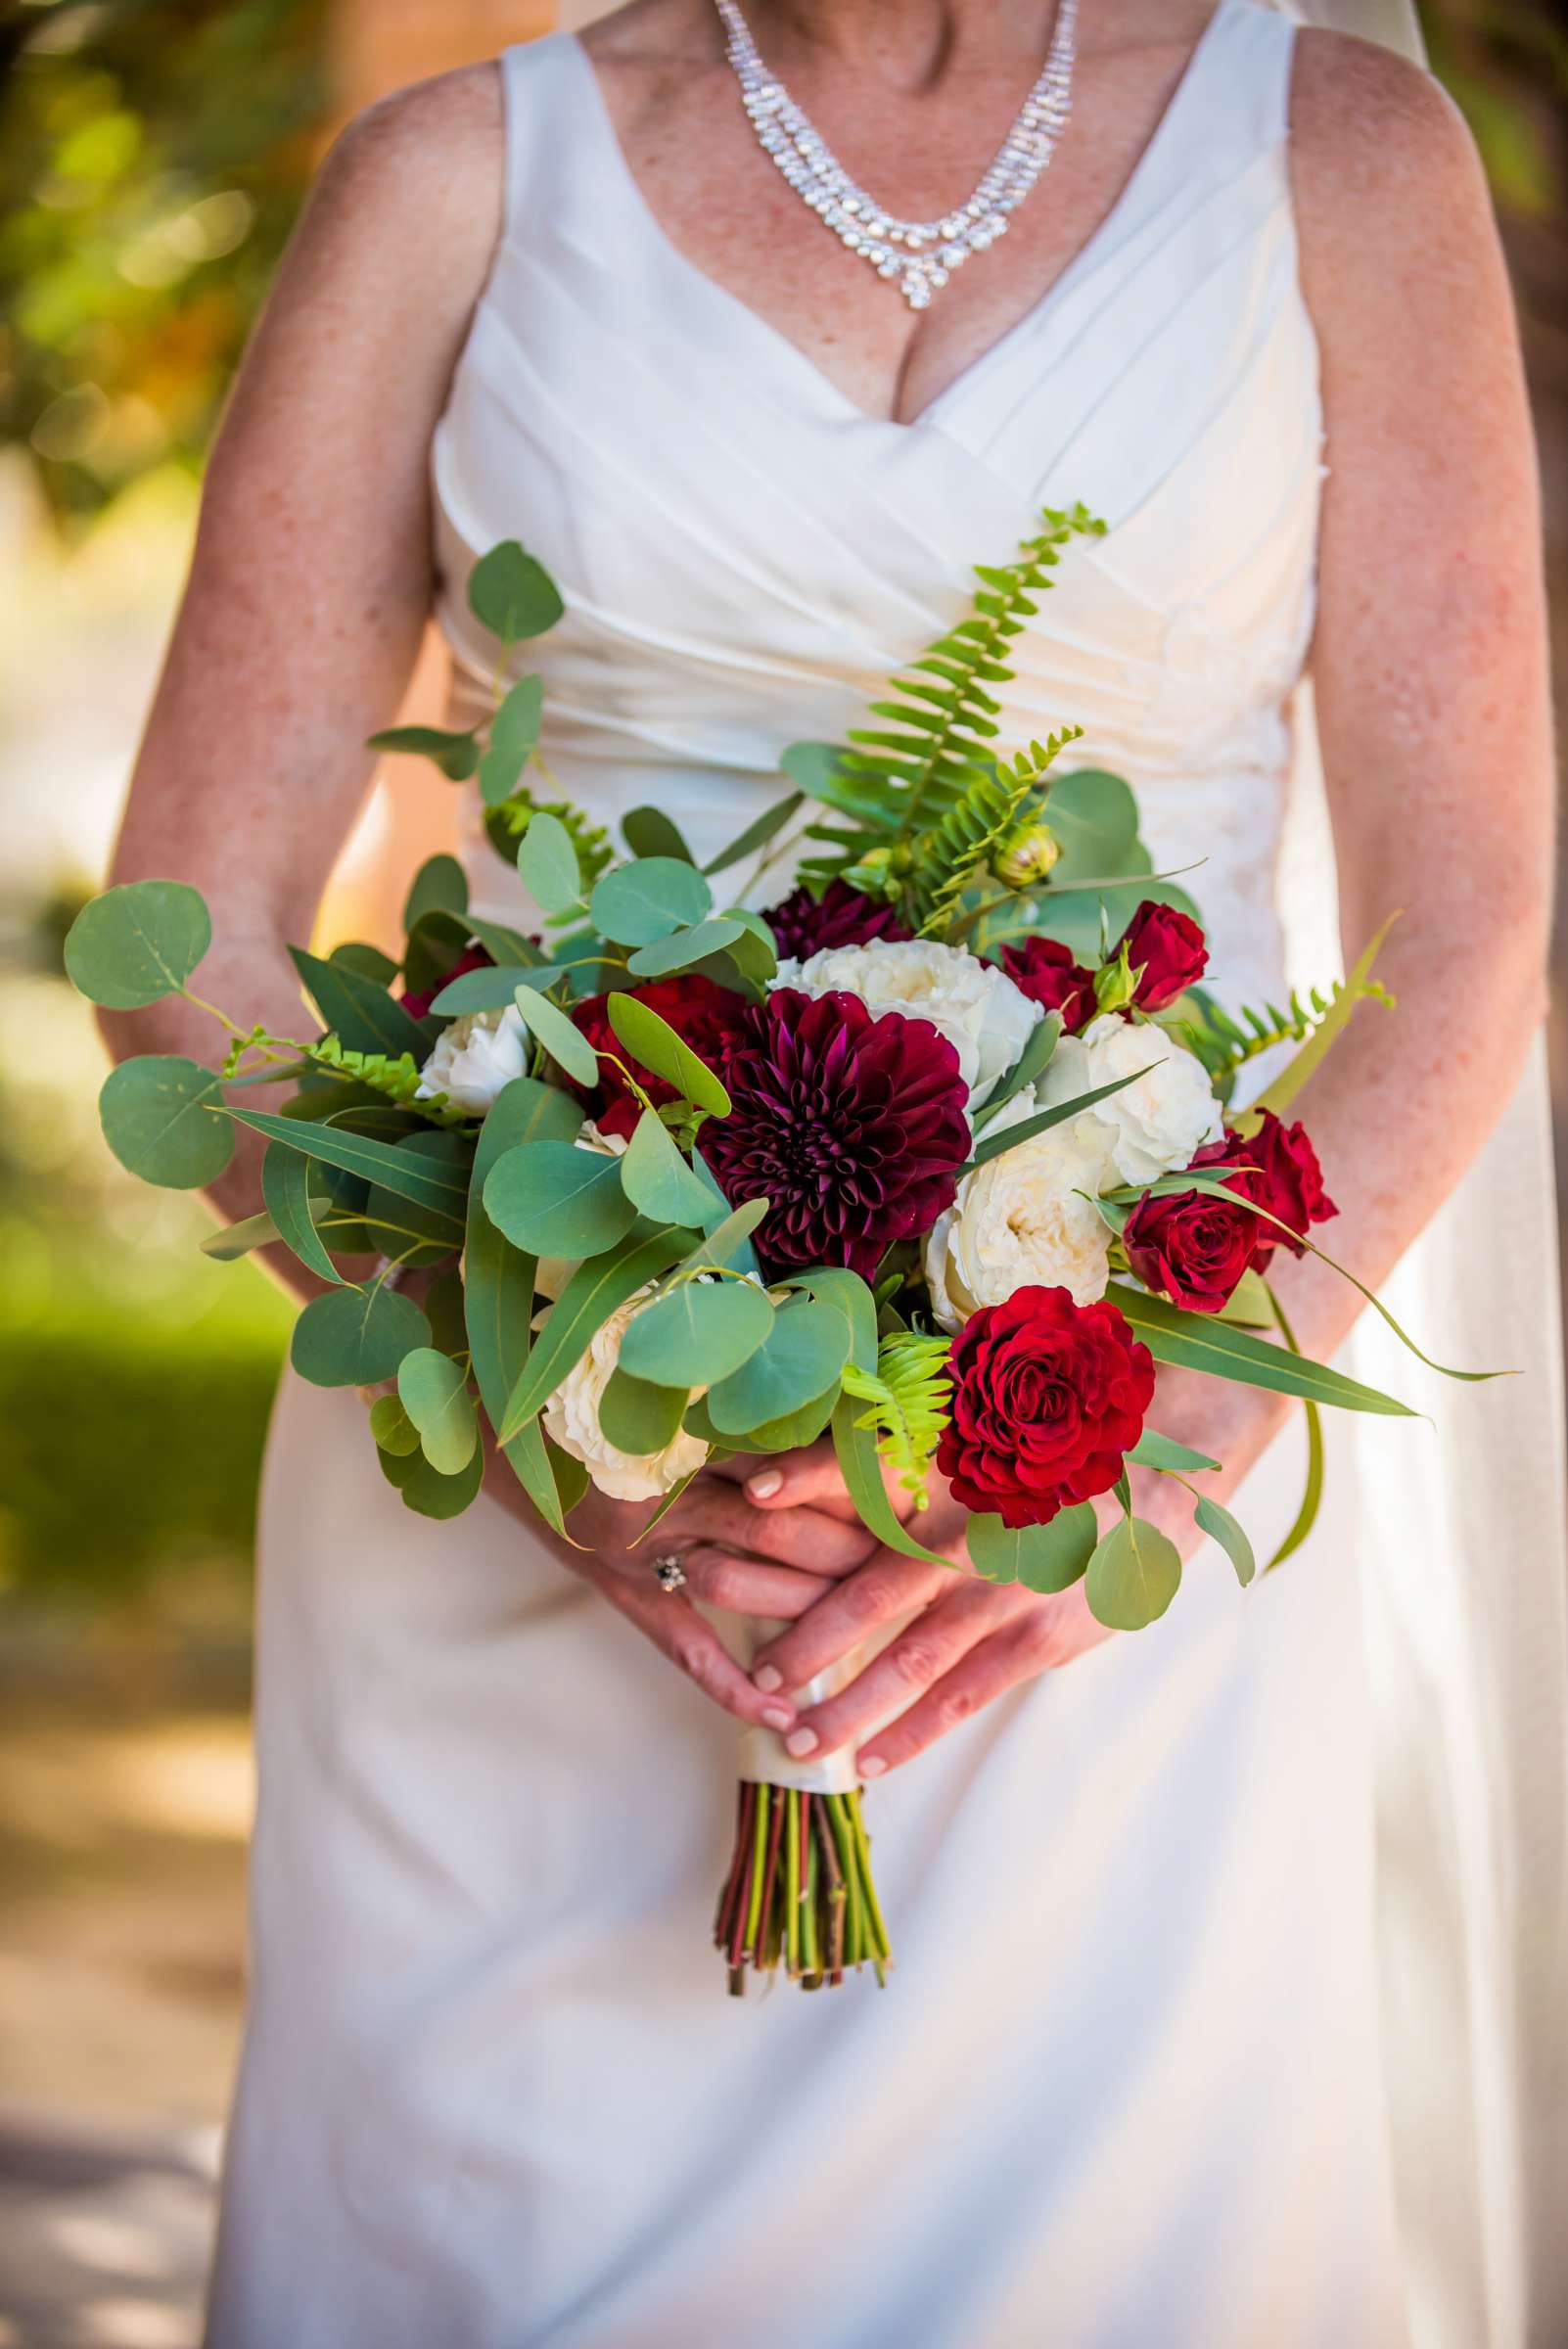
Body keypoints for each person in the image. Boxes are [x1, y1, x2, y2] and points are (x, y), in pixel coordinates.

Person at [102, 2, 1564, 2341]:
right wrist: (554, 1428)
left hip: (1091, 1561)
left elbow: (1466, 916)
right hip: (522, 1520)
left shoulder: (1340, 153)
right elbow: (191, 914)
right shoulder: (448, 178)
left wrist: (1134, 1463)